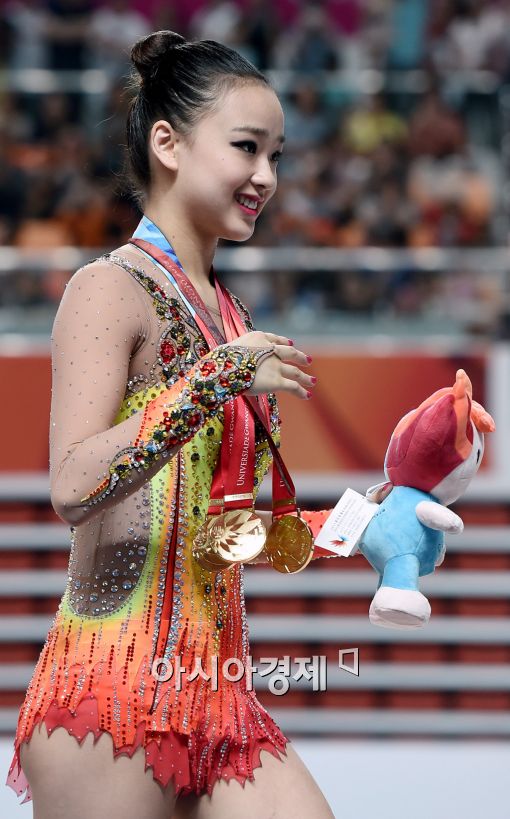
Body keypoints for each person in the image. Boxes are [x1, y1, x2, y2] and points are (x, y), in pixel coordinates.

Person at [5, 30, 335, 819]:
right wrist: (212, 378)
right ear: (168, 144)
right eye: (248, 147)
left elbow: (215, 536)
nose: (266, 176)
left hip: (220, 697)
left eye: (277, 155)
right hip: (110, 693)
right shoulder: (107, 288)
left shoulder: (232, 318)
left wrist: (356, 523)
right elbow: (73, 485)